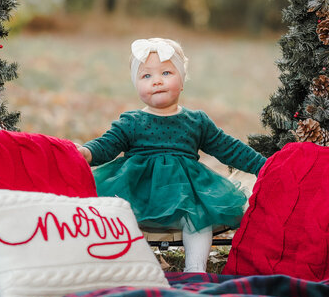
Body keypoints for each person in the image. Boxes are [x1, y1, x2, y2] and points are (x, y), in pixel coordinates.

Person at [77, 37, 266, 272]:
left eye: (166, 73)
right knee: (121, 214)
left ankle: (195, 268)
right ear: (136, 84)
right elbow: (108, 144)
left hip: (186, 192)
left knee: (198, 217)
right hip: (139, 190)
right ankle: (134, 264)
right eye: (146, 76)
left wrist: (264, 166)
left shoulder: (196, 121)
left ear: (183, 79)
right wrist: (87, 152)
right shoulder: (132, 121)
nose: (157, 81)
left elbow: (228, 147)